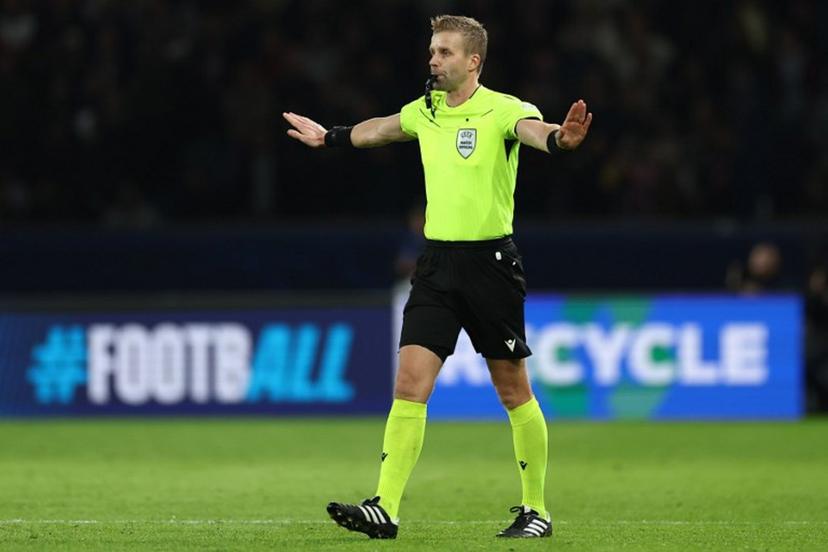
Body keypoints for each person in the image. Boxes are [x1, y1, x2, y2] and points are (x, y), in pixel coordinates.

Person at [283, 14, 591, 540]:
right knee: (409, 385)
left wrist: (562, 139)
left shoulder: (503, 109)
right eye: (432, 51)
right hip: (436, 268)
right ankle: (385, 507)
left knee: (513, 389)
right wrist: (330, 137)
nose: (434, 60)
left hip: (491, 266)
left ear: (473, 61)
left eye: (445, 52)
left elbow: (535, 133)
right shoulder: (425, 111)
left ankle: (535, 509)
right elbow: (379, 129)